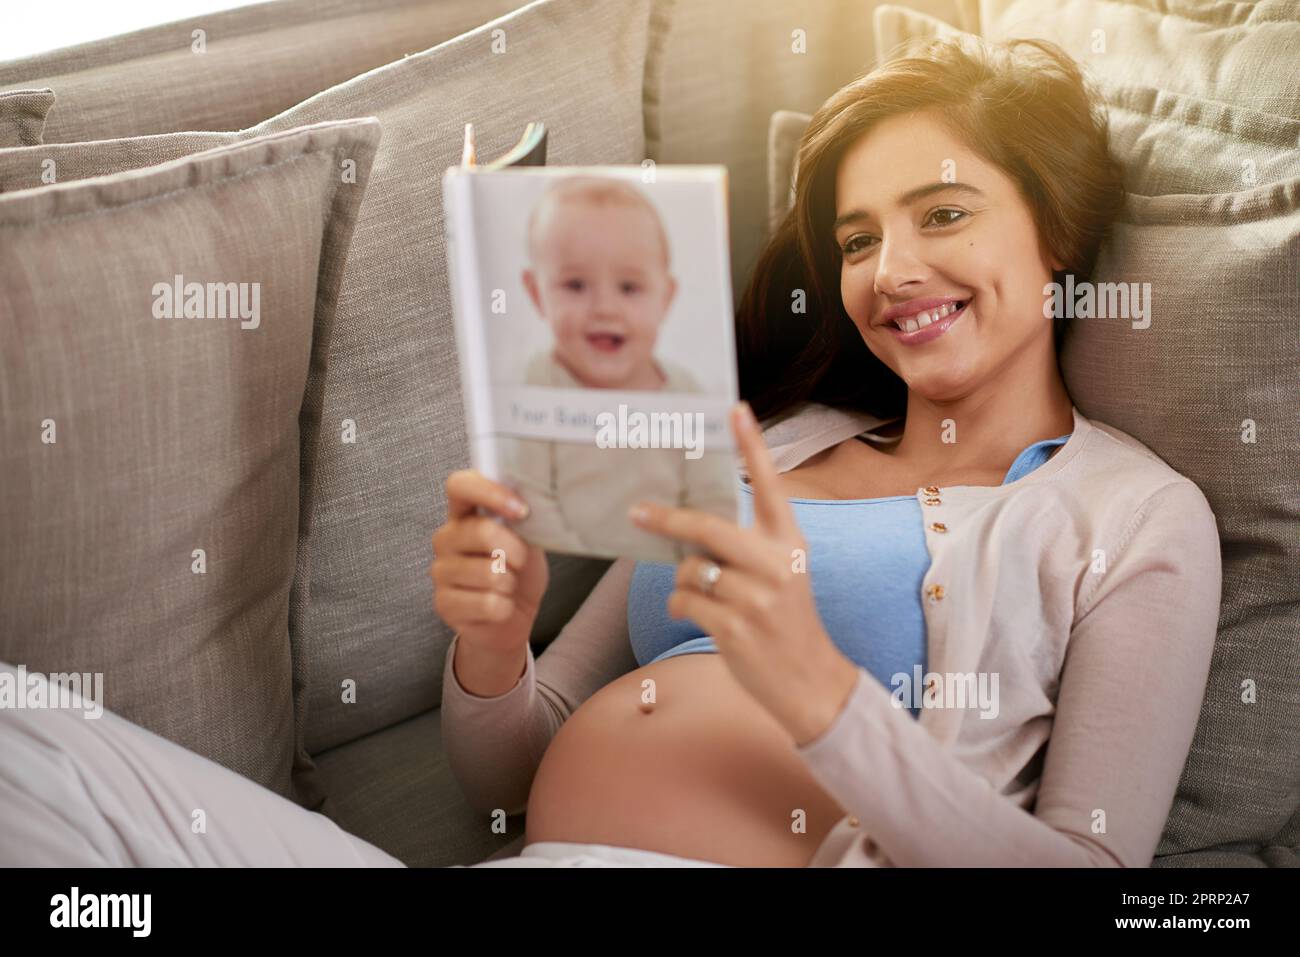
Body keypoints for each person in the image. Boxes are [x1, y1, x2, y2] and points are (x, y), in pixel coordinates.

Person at [0, 35, 1221, 868]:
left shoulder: (1130, 515)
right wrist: (490, 653)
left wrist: (822, 698)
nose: (890, 270)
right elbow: (505, 781)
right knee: (27, 735)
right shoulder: (772, 445)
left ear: (1055, 231)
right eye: (855, 239)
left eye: (942, 214)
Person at [499, 175, 736, 562]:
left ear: (666, 297)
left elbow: (714, 497)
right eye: (576, 285)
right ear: (536, 293)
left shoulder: (685, 392)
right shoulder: (540, 380)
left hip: (669, 566)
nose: (605, 308)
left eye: (629, 288)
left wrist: (700, 557)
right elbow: (527, 493)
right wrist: (572, 546)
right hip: (564, 558)